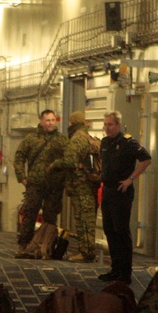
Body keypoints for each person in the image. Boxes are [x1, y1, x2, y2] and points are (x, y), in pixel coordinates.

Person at [98, 111, 152, 284]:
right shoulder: (105, 143)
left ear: (118, 125)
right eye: (105, 124)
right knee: (110, 231)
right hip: (107, 191)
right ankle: (115, 269)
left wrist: (131, 179)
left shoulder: (128, 142)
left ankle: (125, 274)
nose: (107, 128)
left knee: (121, 232)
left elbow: (146, 159)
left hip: (121, 191)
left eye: (110, 124)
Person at [13, 109, 69, 257]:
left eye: (52, 120)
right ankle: (24, 246)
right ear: (41, 121)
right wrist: (22, 177)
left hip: (54, 186)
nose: (50, 123)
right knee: (30, 215)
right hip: (35, 184)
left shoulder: (62, 140)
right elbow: (19, 157)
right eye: (47, 120)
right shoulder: (31, 139)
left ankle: (47, 246)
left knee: (51, 217)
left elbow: (69, 160)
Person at [57, 111, 101, 263]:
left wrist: (54, 165)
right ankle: (88, 251)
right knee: (89, 219)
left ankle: (85, 252)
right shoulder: (88, 137)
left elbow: (69, 161)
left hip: (81, 186)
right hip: (90, 185)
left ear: (73, 124)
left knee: (83, 220)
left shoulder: (77, 139)